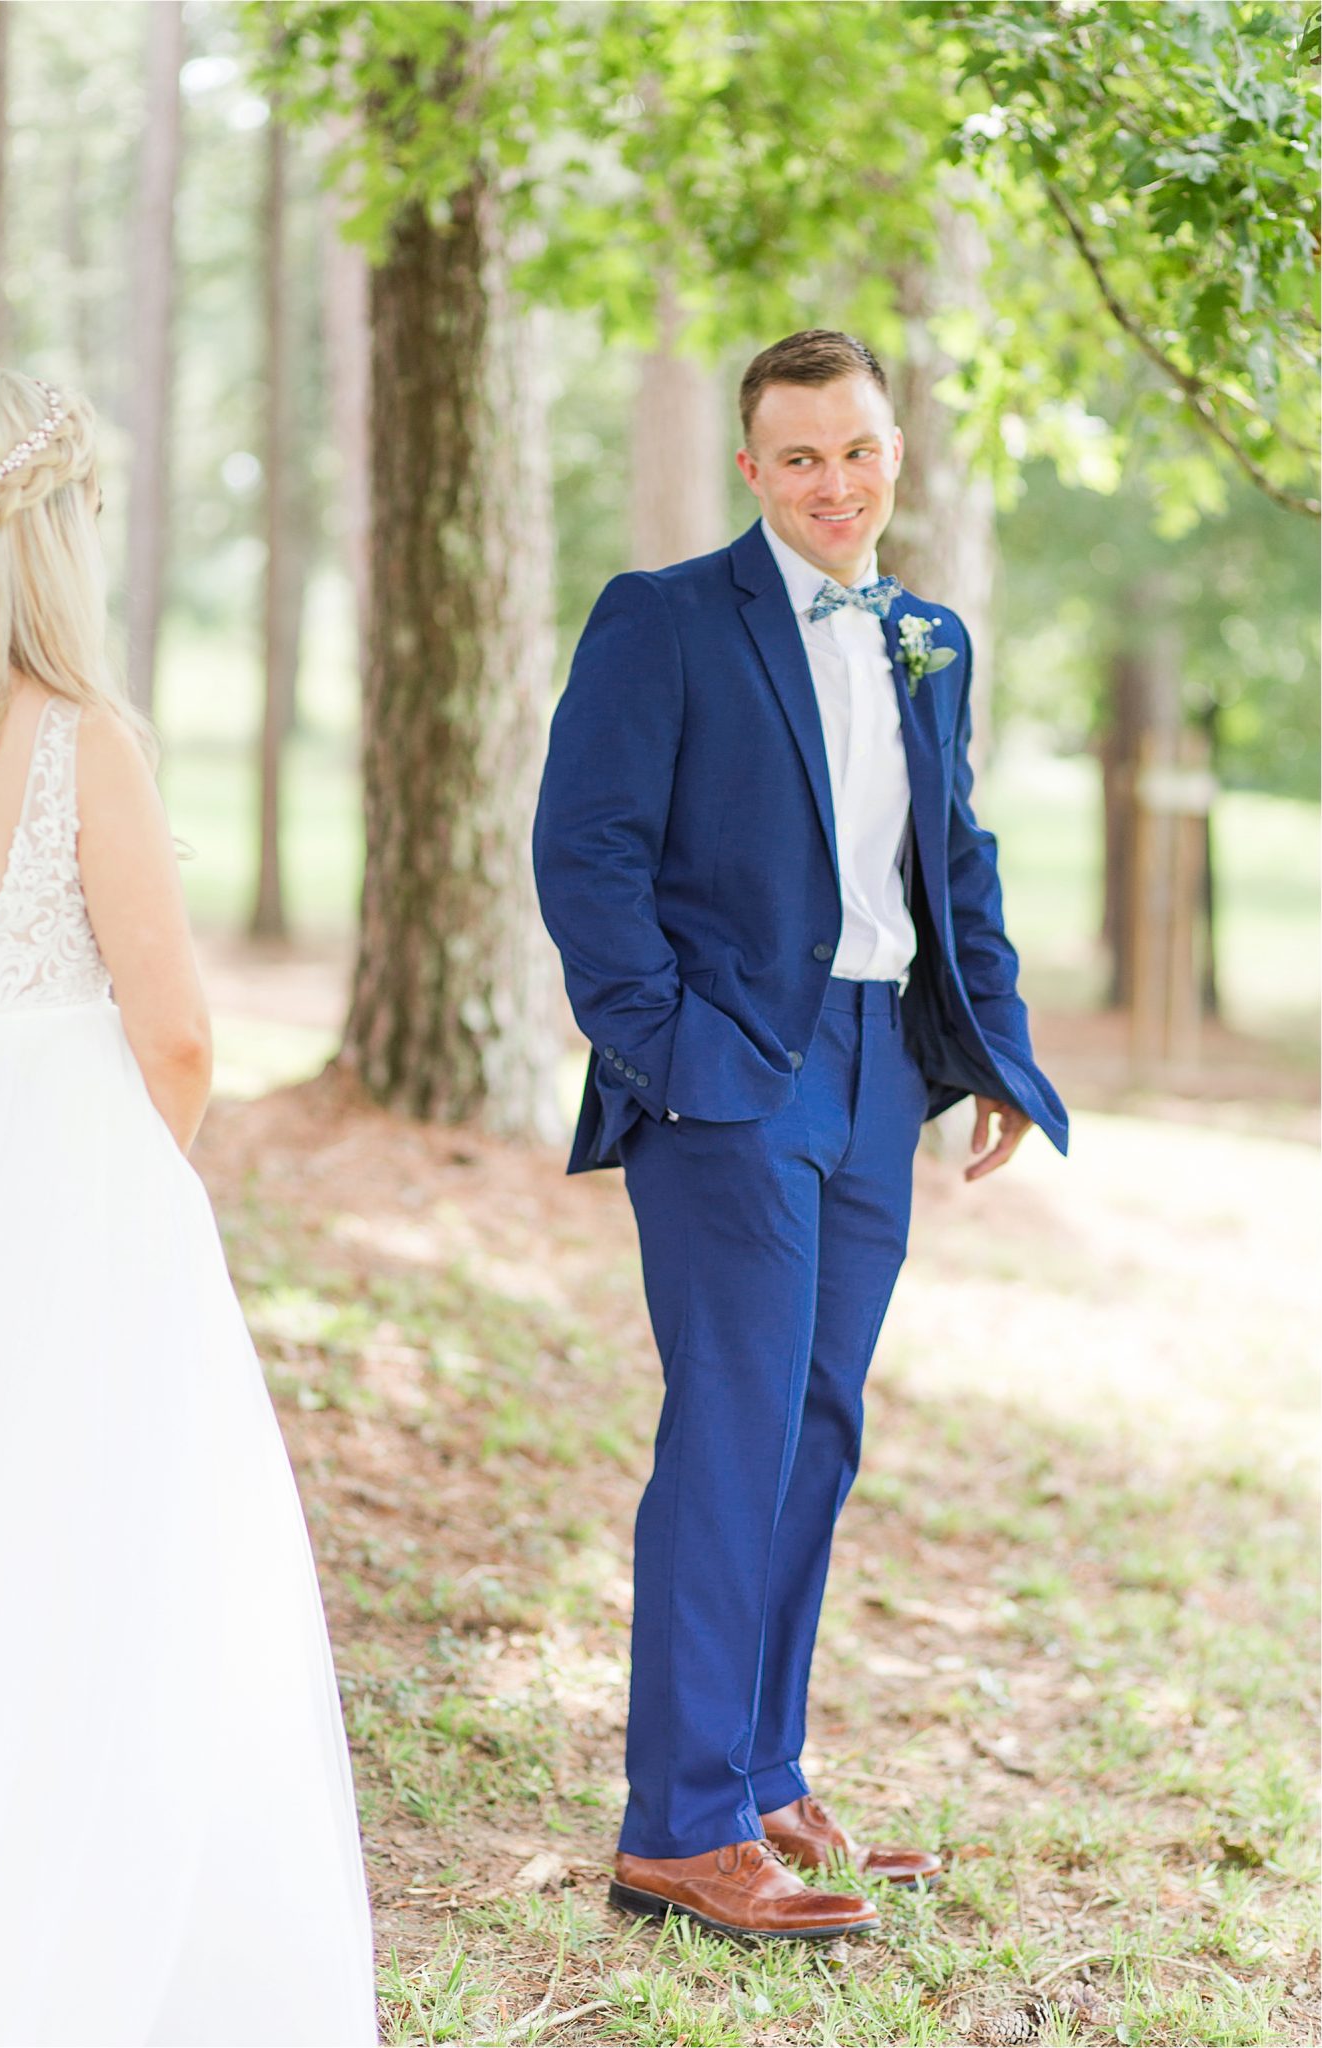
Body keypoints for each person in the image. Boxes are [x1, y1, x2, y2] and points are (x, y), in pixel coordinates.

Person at [533, 329, 1068, 1941]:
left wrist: (989, 1052)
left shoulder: (929, 638)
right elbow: (586, 854)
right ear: (753, 469)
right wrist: (676, 1053)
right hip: (728, 1078)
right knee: (735, 1425)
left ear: (893, 453)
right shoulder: (666, 620)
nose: (835, 485)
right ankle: (677, 1828)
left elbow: (950, 858)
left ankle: (760, 1778)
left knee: (818, 1428)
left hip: (874, 1073)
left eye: (858, 451)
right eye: (801, 457)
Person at [0, 368, 377, 2044]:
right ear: (63, 537)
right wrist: (141, 1182)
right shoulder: (77, 740)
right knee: (104, 1567)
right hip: (72, 1193)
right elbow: (181, 1030)